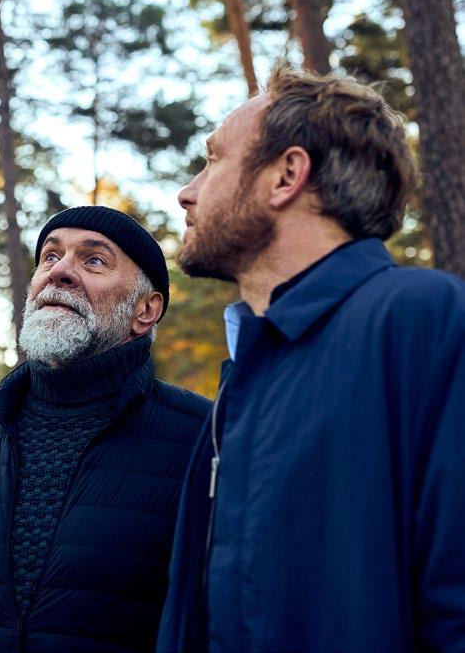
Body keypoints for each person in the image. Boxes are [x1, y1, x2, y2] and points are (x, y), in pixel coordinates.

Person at [157, 66, 465, 653]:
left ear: (286, 176)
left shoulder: (423, 320)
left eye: (213, 160)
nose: (187, 192)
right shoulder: (242, 380)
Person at [0, 205, 210, 653]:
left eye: (93, 260)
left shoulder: (203, 437)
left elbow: (217, 620)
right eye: (50, 256)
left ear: (146, 310)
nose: (59, 272)